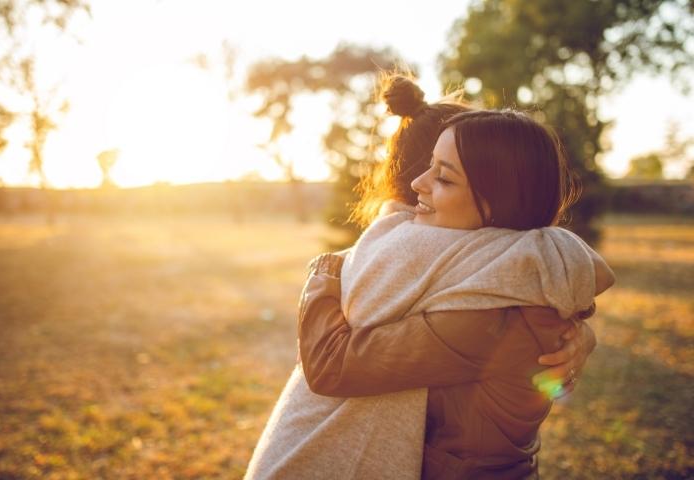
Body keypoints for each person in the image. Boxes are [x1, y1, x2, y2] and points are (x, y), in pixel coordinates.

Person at [245, 75, 608, 480]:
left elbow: (332, 364)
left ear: (500, 198)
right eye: (428, 167)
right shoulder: (507, 273)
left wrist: (328, 269)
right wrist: (581, 328)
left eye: (445, 176)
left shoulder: (488, 312)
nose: (420, 184)